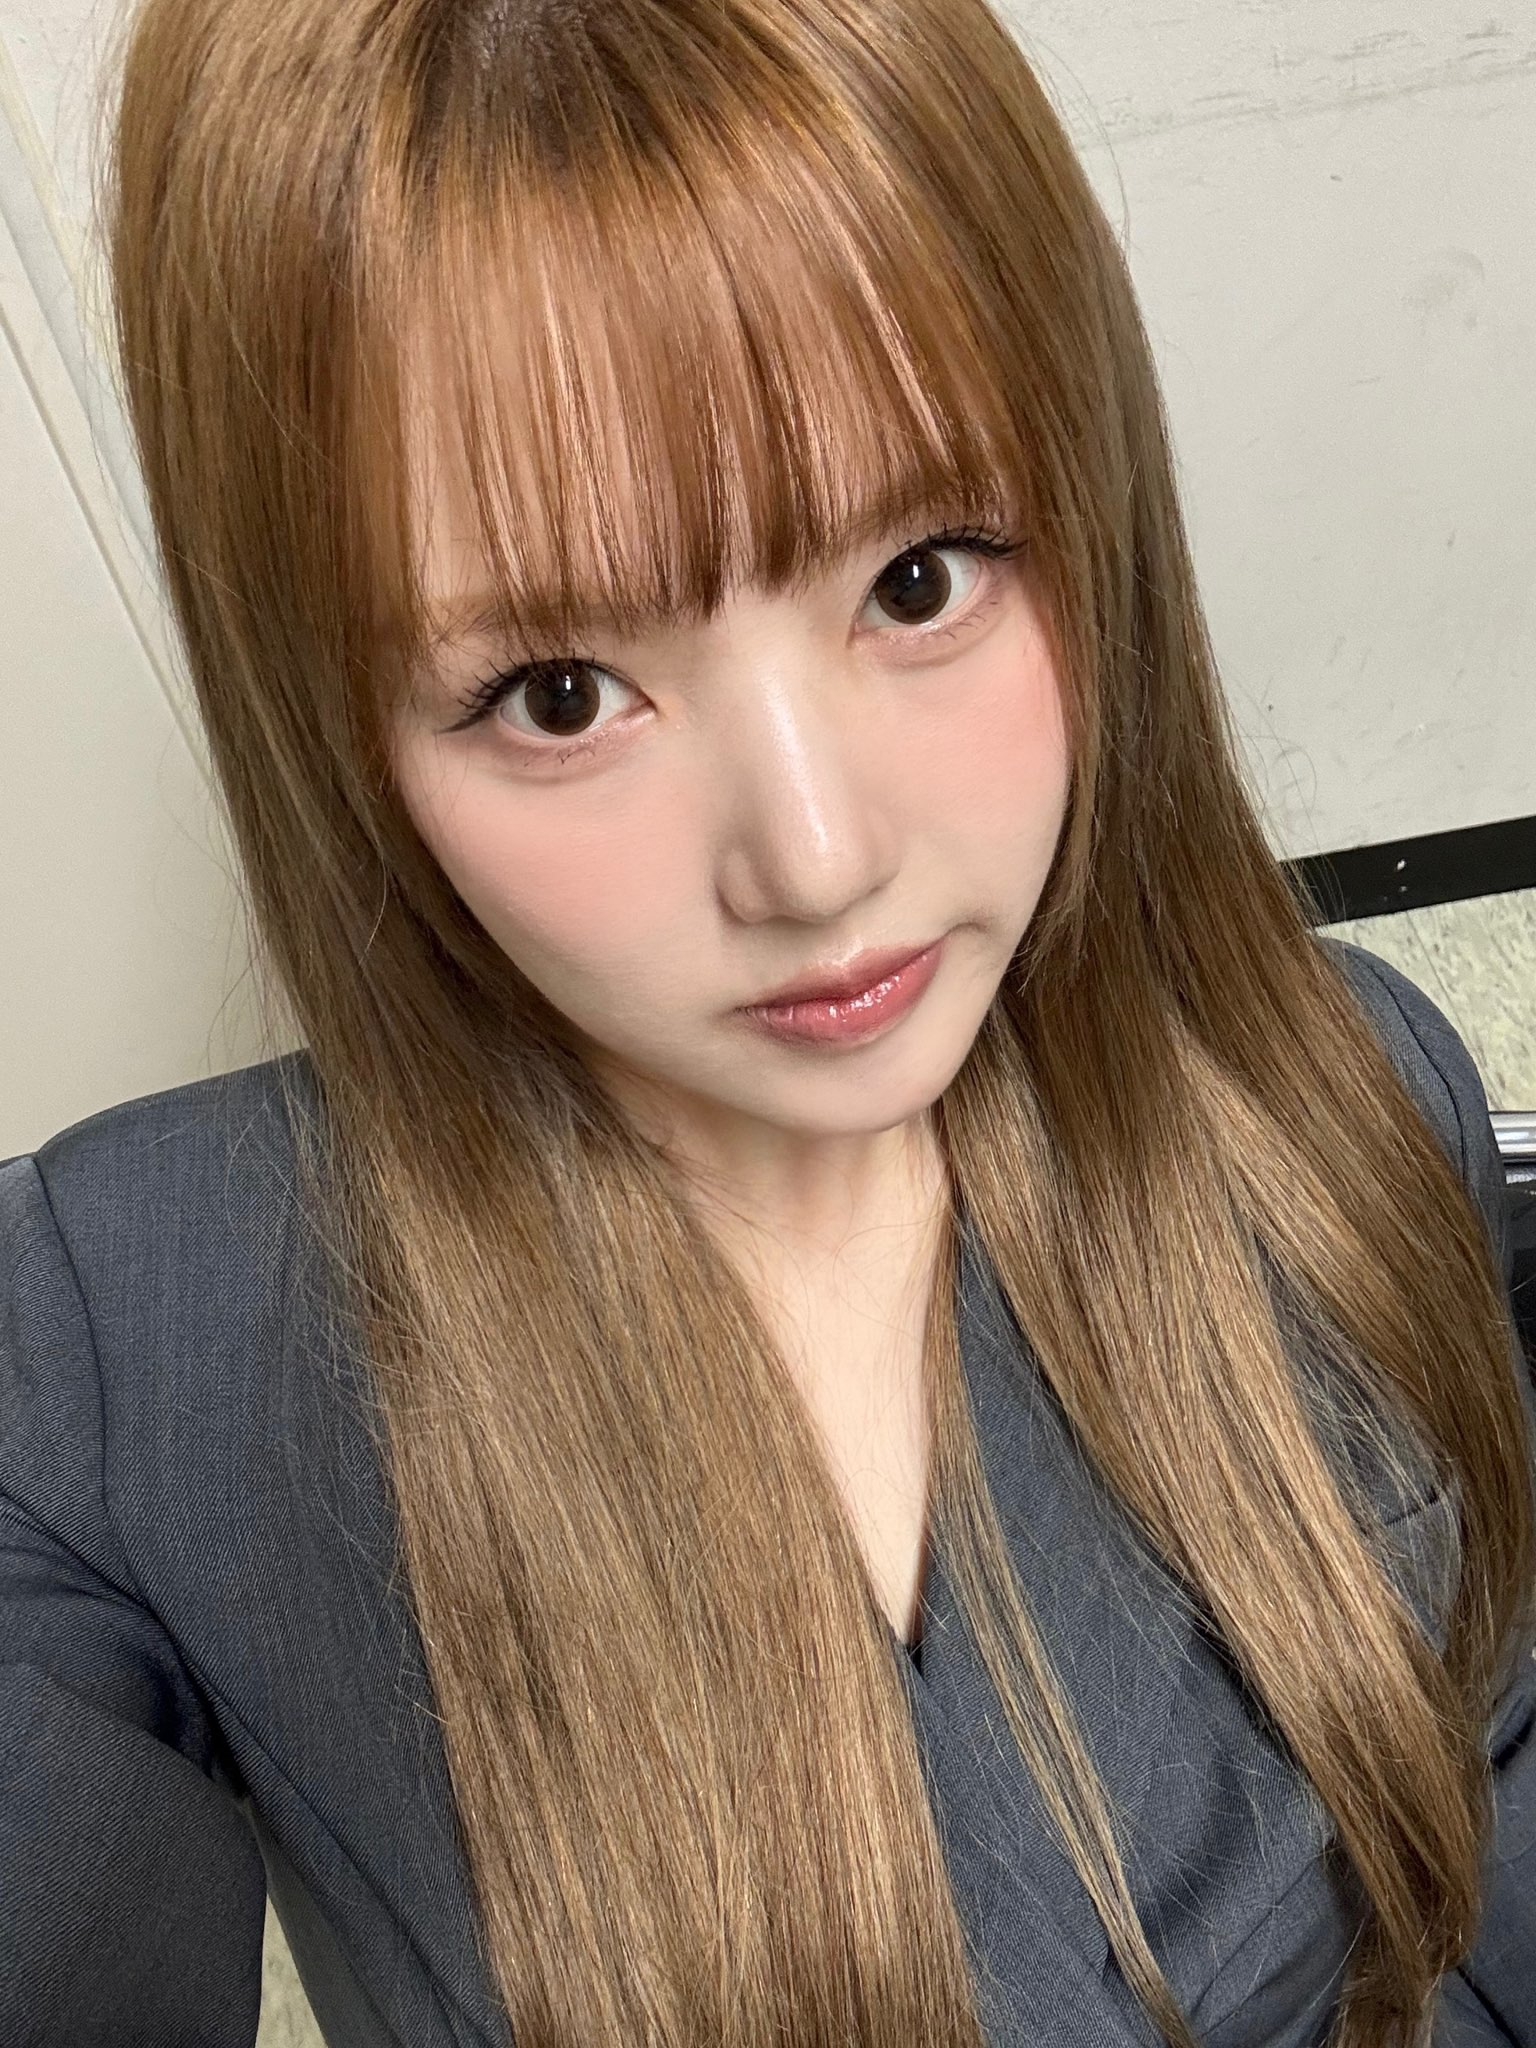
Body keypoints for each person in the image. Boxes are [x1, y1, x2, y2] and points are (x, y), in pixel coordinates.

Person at [4, 0, 1534, 2042]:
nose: (817, 863)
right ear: (338, 734)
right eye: (559, 694)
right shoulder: (123, 1352)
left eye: (920, 579)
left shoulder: (1341, 1086)